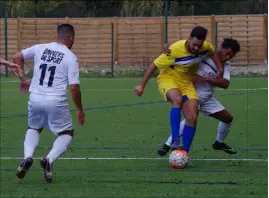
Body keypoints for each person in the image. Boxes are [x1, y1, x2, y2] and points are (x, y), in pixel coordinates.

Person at [13, 23, 85, 183]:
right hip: (56, 99)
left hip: (35, 97)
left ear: (57, 35)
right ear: (71, 37)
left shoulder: (41, 48)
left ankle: (27, 157)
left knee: (34, 127)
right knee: (66, 133)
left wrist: (23, 79)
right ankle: (49, 160)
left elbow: (17, 57)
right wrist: (79, 109)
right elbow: (74, 88)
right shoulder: (70, 56)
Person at [135, 26, 223, 153]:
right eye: (194, 45)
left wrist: (220, 69)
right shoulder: (175, 50)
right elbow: (154, 65)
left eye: (199, 45)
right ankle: (175, 140)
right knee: (177, 99)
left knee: (192, 117)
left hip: (186, 82)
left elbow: (213, 52)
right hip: (169, 78)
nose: (196, 48)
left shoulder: (205, 46)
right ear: (188, 38)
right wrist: (141, 85)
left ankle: (184, 153)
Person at [157, 38, 241, 156]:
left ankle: (219, 143)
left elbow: (225, 84)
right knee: (190, 120)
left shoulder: (226, 65)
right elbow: (185, 49)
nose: (227, 57)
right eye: (227, 53)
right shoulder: (204, 54)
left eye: (231, 56)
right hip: (194, 94)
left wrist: (207, 79)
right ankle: (167, 144)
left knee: (227, 118)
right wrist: (167, 50)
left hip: (208, 98)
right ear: (221, 47)